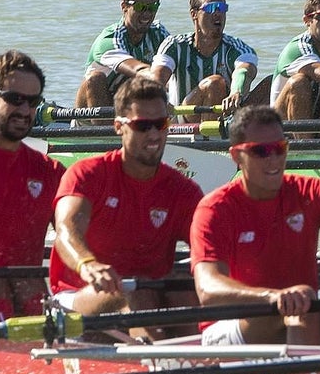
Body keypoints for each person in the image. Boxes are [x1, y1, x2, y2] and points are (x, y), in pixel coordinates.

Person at [190, 106, 320, 346]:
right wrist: (272, 296)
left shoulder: (311, 191)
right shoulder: (215, 208)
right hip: (230, 326)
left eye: (279, 148)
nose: (273, 159)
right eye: (260, 151)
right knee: (300, 306)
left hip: (298, 308)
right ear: (236, 156)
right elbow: (208, 289)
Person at [49, 77, 204, 340]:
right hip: (79, 294)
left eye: (160, 124)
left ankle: (198, 363)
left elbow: (213, 248)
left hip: (146, 288)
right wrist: (88, 264)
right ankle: (161, 365)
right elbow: (66, 231)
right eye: (143, 126)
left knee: (185, 288)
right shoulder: (88, 175)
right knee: (133, 288)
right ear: (119, 126)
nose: (154, 134)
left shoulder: (182, 190)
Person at [0, 51, 65, 323]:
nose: (24, 110)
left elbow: (74, 238)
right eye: (14, 99)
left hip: (24, 293)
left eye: (33, 102)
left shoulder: (50, 171)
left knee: (26, 289)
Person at [148, 0, 259, 117]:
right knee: (214, 83)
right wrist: (158, 97)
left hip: (224, 117)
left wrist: (236, 91)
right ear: (194, 14)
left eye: (222, 8)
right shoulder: (174, 45)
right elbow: (157, 77)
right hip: (183, 119)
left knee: (269, 83)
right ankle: (210, 136)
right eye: (212, 7)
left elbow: (245, 70)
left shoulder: (237, 48)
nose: (218, 13)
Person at [76, 0, 171, 119]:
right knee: (95, 78)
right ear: (124, 7)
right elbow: (136, 69)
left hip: (131, 110)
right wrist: (158, 76)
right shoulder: (109, 39)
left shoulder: (158, 33)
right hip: (95, 116)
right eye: (140, 7)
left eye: (153, 7)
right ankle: (108, 136)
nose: (147, 14)